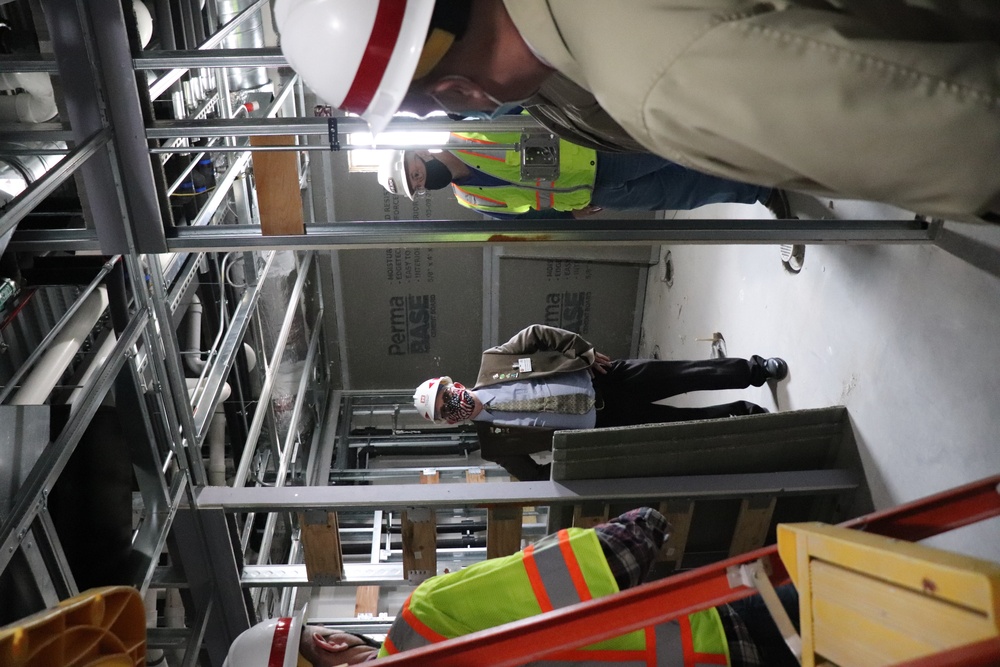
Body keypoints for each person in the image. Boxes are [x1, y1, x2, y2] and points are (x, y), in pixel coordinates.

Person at [274, 0, 1000, 221]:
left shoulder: (664, 82)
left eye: (423, 104)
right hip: (601, 179)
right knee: (697, 184)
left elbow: (970, 138)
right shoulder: (476, 181)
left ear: (452, 94)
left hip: (616, 148)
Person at [224, 508, 801, 666]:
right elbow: (608, 558)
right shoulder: (427, 621)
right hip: (730, 646)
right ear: (326, 644)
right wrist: (644, 523)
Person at [413, 324, 788, 481]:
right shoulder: (494, 446)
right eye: (445, 411)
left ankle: (756, 371)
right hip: (606, 428)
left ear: (455, 384)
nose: (452, 405)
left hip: (605, 379)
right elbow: (538, 476)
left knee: (685, 373)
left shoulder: (493, 362)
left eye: (448, 396)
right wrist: (583, 462)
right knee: (681, 427)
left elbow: (536, 335)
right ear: (449, 423)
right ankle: (746, 417)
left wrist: (583, 351)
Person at [376, 132, 794, 219]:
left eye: (411, 170)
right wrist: (570, 214)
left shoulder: (464, 132)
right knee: (680, 193)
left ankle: (760, 147)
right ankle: (758, 188)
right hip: (593, 196)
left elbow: (521, 114)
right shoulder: (471, 199)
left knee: (677, 148)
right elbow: (527, 213)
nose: (419, 179)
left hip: (597, 155)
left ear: (416, 153)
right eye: (414, 184)